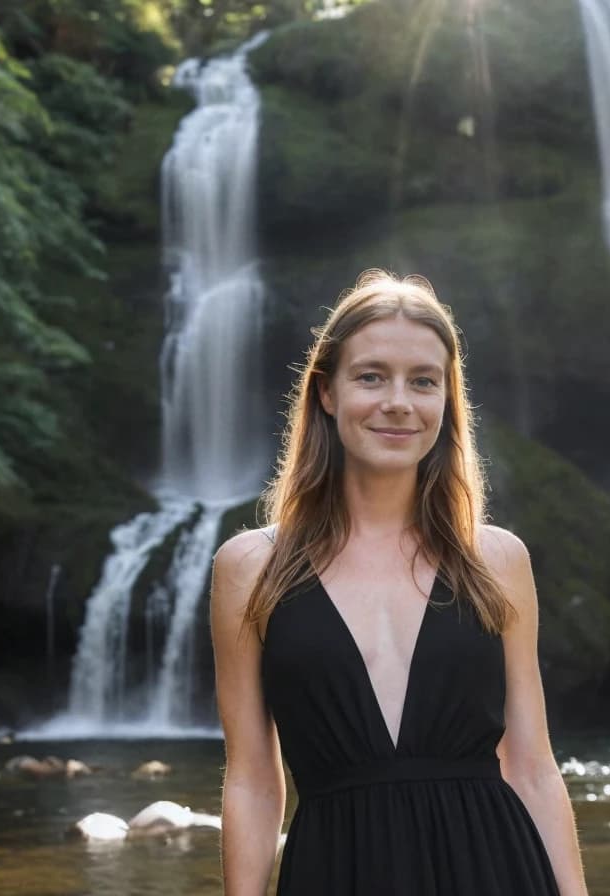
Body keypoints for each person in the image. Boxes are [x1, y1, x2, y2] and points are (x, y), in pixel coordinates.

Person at [209, 269, 588, 895]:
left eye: (423, 381)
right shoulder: (251, 567)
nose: (398, 402)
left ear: (447, 399)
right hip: (339, 872)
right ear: (325, 393)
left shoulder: (498, 560)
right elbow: (252, 778)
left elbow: (532, 766)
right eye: (371, 376)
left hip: (496, 872)